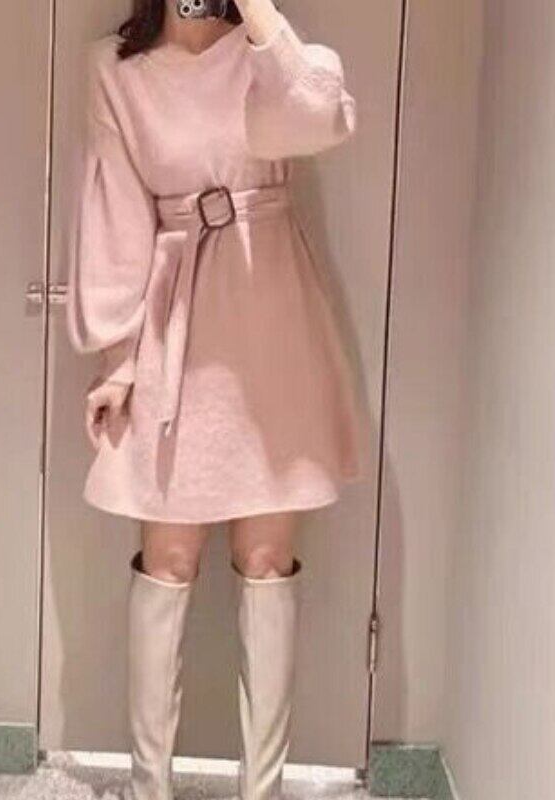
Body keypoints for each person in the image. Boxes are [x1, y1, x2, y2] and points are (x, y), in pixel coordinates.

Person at [66, 1, 367, 798]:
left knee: (266, 562)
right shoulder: (116, 70)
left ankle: (261, 791)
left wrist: (259, 11)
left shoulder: (266, 54)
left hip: (272, 324)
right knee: (167, 561)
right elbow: (115, 218)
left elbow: (319, 119)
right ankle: (149, 788)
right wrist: (119, 361)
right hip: (176, 329)